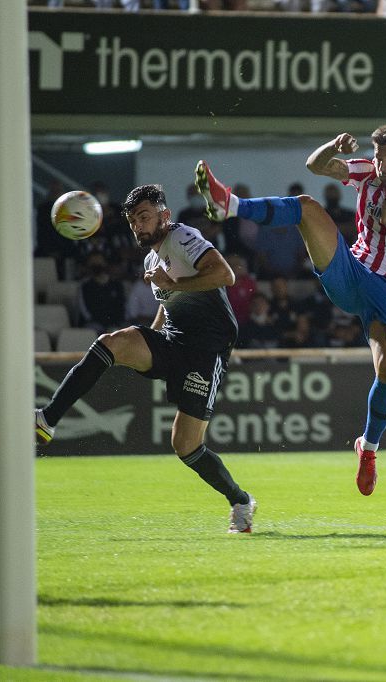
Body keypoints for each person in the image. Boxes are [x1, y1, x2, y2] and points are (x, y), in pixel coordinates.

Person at [194, 123, 386, 495]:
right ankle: (229, 205)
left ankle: (368, 450)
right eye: (377, 156)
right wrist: (332, 146)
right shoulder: (366, 173)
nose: (380, 164)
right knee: (307, 207)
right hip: (353, 272)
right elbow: (316, 166)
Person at [34, 184, 256, 533]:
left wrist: (174, 284)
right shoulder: (152, 258)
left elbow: (224, 274)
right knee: (111, 342)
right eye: (133, 220)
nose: (138, 225)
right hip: (173, 341)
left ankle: (241, 500)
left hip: (205, 350)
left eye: (144, 216)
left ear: (164, 216)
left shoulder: (183, 236)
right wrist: (152, 335)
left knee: (185, 445)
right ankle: (47, 419)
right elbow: (169, 305)